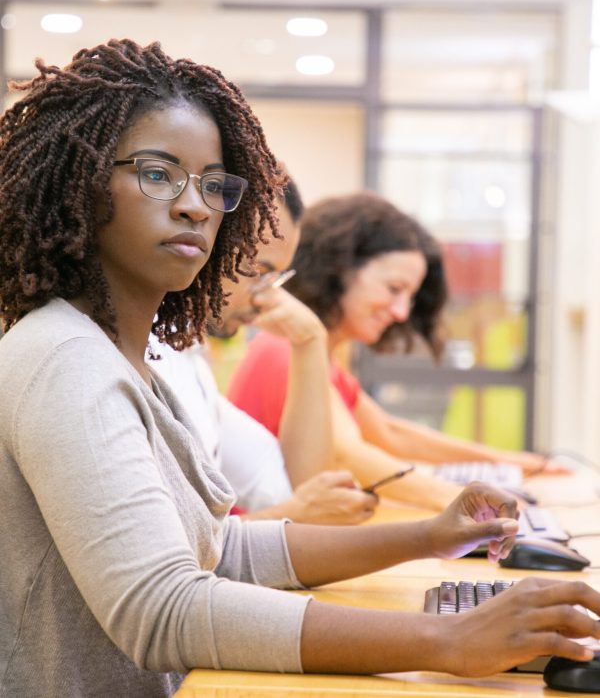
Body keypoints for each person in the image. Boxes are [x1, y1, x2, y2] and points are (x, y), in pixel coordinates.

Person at [1, 39, 599, 698]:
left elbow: (219, 552)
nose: (195, 206)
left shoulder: (130, 360)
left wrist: (429, 536)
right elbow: (163, 608)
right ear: (77, 182)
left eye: (212, 185)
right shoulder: (66, 360)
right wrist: (447, 640)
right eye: (157, 172)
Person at [227, 192, 567, 511]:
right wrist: (471, 502)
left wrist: (508, 462)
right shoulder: (286, 348)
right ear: (340, 268)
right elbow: (347, 455)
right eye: (394, 289)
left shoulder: (320, 357)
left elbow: (390, 433)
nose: (401, 312)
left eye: (409, 297)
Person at [150, 180, 377, 524]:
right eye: (259, 272)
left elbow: (297, 490)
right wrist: (294, 512)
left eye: (274, 280)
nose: (264, 298)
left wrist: (309, 340)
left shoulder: (188, 361)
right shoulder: (145, 357)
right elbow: (160, 549)